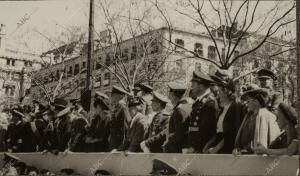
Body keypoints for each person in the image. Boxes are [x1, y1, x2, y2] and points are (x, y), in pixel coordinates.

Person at [203, 69, 246, 154]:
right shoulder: (223, 108)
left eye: (219, 91)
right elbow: (219, 132)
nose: (217, 94)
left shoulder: (237, 107)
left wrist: (216, 149)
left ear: (226, 90)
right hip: (217, 147)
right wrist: (208, 144)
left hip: (228, 150)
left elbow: (232, 134)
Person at [183, 70, 219, 153]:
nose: (192, 87)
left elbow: (206, 130)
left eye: (194, 85)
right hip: (194, 148)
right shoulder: (199, 102)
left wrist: (195, 147)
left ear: (201, 86)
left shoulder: (210, 102)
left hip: (202, 149)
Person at [163, 82, 193, 153]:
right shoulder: (185, 106)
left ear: (173, 96)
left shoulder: (179, 110)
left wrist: (167, 145)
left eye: (170, 94)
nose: (169, 97)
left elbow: (179, 133)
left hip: (177, 150)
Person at [109, 85, 131, 151]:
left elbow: (126, 129)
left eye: (113, 95)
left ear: (119, 96)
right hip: (114, 143)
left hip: (119, 145)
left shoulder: (123, 109)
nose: (111, 97)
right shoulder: (117, 108)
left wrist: (122, 146)